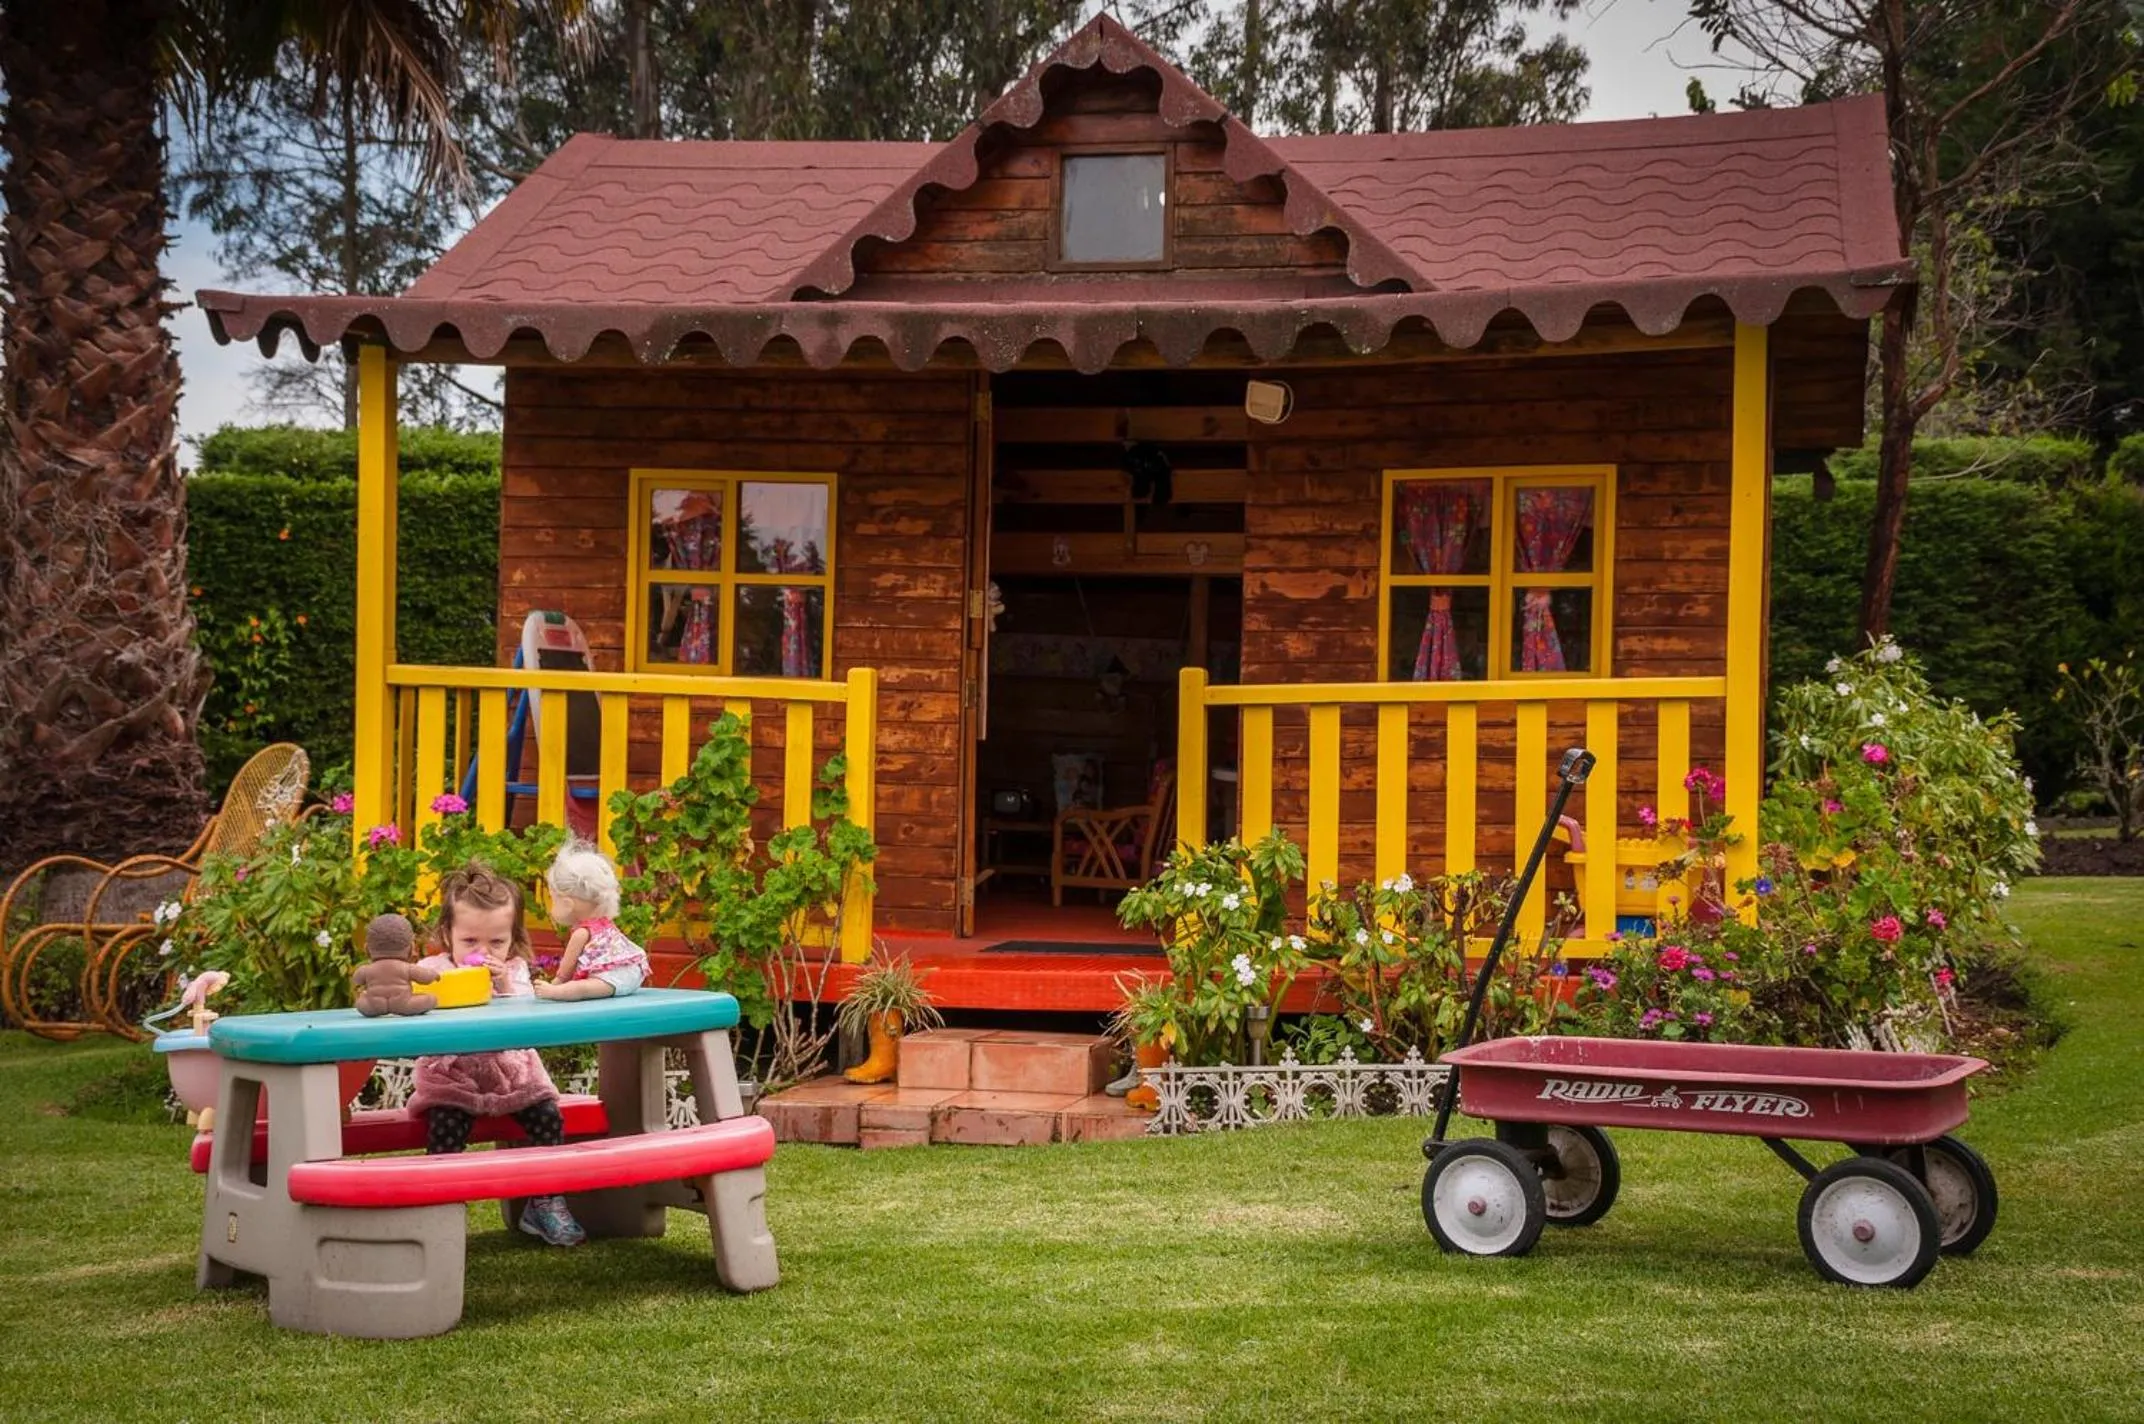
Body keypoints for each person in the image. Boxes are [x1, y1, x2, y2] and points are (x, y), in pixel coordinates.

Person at [407, 864, 585, 1247]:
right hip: (453, 1079)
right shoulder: (431, 971)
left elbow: (526, 1014)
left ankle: (545, 1200)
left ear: (512, 940)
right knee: (446, 1130)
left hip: (512, 1078)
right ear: (446, 935)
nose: (482, 953)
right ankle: (443, 1205)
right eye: (470, 941)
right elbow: (415, 1014)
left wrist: (503, 984)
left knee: (548, 1120)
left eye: (496, 943)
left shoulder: (515, 973)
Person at [535, 839, 651, 1001]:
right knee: (586, 984)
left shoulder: (582, 933)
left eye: (552, 899)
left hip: (611, 979)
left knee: (579, 988)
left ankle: (556, 994)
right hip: (635, 973)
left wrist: (556, 984)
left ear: (567, 904)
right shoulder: (604, 923)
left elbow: (566, 971)